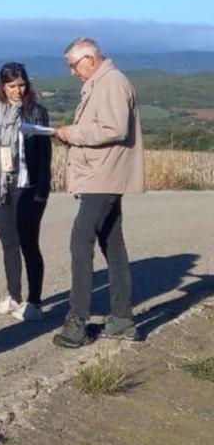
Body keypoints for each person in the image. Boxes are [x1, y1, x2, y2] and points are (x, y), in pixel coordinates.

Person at [51, 37, 145, 348]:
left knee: (81, 242)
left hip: (102, 177)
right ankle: (121, 318)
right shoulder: (105, 82)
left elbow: (113, 128)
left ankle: (78, 322)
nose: (73, 72)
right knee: (113, 247)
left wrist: (71, 134)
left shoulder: (111, 82)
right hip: (104, 175)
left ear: (89, 59)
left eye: (73, 65)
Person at [0, 62, 52, 322]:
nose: (18, 90)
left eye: (22, 85)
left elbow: (44, 154)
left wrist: (43, 189)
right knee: (9, 245)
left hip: (28, 186)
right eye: (12, 86)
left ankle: (35, 302)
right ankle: (13, 297)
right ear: (2, 87)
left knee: (29, 244)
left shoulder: (36, 112)